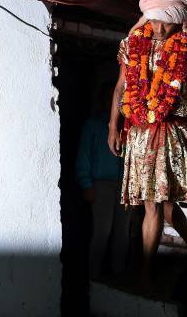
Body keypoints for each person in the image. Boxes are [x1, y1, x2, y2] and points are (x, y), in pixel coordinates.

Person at [107, 0, 187, 286]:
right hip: (141, 135)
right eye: (151, 20)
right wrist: (113, 125)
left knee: (171, 208)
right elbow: (121, 88)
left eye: (162, 21)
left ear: (177, 19)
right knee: (153, 205)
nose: (155, 27)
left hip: (175, 134)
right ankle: (147, 271)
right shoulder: (132, 44)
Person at [75, 83, 129, 280]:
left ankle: (118, 275)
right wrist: (86, 184)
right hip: (101, 185)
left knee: (122, 233)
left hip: (124, 185)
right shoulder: (93, 125)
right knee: (102, 232)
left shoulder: (126, 125)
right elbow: (84, 156)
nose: (113, 102)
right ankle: (93, 277)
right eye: (110, 98)